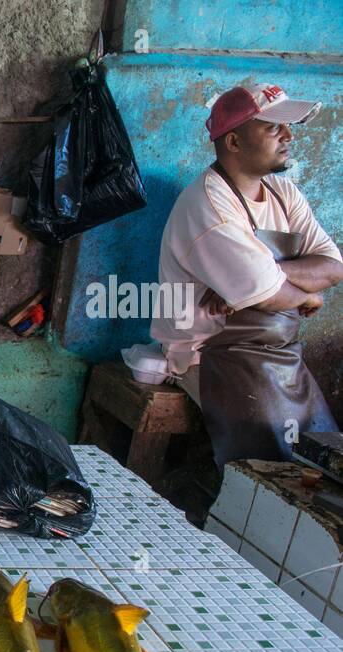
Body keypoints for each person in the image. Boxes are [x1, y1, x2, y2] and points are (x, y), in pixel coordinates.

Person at [151, 82, 342, 469]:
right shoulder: (209, 205)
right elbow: (272, 297)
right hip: (210, 356)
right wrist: (306, 295)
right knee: (270, 469)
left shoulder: (283, 192)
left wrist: (272, 276)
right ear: (234, 142)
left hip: (280, 353)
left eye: (288, 127)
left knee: (323, 450)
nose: (289, 136)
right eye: (274, 127)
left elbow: (333, 266)